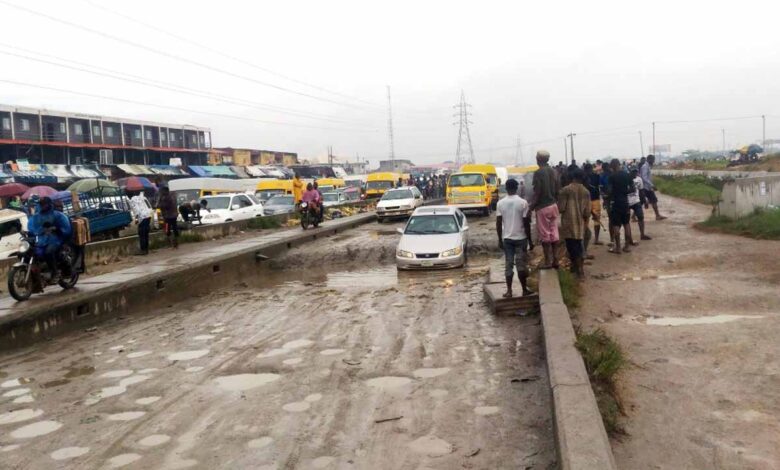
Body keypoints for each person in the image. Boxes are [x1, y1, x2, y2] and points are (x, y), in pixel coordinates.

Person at [496, 178, 533, 298]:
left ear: (506, 188)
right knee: (521, 265)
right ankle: (524, 289)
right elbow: (526, 223)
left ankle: (509, 291)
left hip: (507, 239)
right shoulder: (523, 202)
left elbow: (498, 223)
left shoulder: (500, 203)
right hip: (521, 238)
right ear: (516, 188)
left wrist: (499, 239)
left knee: (508, 265)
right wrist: (530, 240)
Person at [27, 196, 72, 280]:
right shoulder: (37, 216)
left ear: (49, 204)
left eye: (44, 204)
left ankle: (55, 272)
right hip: (42, 240)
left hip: (56, 239)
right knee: (30, 252)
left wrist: (56, 229)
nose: (43, 206)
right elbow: (33, 227)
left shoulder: (57, 215)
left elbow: (66, 228)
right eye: (41, 204)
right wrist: (29, 233)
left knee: (48, 252)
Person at [529, 150, 560, 269]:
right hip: (553, 206)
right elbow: (558, 189)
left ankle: (548, 261)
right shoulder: (554, 171)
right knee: (554, 233)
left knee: (545, 235)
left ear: (539, 159)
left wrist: (531, 207)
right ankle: (556, 260)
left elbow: (537, 192)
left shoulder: (538, 173)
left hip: (543, 207)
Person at [558, 170, 591, 277]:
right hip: (580, 224)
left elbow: (561, 208)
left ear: (572, 177)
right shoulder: (586, 191)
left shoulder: (565, 190)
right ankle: (577, 268)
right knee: (578, 246)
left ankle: (579, 270)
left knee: (572, 248)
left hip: (568, 224)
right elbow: (587, 212)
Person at [607, 159, 634, 254]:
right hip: (625, 203)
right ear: (619, 164)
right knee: (626, 224)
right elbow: (633, 188)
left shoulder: (611, 176)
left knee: (616, 225)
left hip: (615, 203)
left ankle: (618, 247)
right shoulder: (626, 175)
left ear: (612, 166)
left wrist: (609, 197)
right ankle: (626, 246)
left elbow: (609, 191)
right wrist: (624, 192)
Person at [639, 155, 667, 220]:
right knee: (653, 200)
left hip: (647, 187)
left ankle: (657, 215)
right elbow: (644, 177)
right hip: (646, 187)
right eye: (653, 159)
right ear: (649, 159)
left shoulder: (647, 166)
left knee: (642, 201)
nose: (654, 161)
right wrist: (652, 185)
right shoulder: (645, 166)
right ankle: (657, 215)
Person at [628, 168, 651, 241]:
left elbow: (641, 191)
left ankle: (642, 234)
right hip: (627, 202)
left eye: (636, 172)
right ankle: (629, 238)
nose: (635, 174)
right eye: (633, 172)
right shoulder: (625, 179)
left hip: (636, 201)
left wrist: (644, 201)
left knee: (641, 217)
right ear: (630, 172)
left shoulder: (639, 179)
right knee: (626, 221)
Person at [583, 163, 603, 246]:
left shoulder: (582, 177)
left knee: (585, 220)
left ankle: (584, 240)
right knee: (597, 219)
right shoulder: (596, 176)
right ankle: (596, 239)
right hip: (595, 199)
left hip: (585, 201)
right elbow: (600, 186)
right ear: (591, 168)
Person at [129, 191, 153, 255]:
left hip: (142, 217)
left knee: (142, 234)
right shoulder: (142, 197)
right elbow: (149, 207)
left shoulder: (132, 200)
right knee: (146, 233)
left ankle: (143, 250)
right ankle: (146, 249)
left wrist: (136, 219)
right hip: (148, 216)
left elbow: (136, 210)